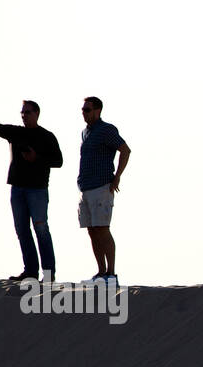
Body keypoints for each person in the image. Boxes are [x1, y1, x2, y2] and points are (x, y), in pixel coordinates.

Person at [0, 101, 63, 281]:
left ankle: (49, 275)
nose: (24, 115)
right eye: (22, 113)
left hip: (37, 190)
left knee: (41, 229)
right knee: (22, 230)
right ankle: (30, 272)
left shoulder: (46, 136)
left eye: (28, 112)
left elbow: (58, 161)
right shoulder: (16, 132)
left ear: (37, 114)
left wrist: (36, 158)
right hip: (17, 189)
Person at [77, 96, 131, 282]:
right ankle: (101, 272)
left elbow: (125, 150)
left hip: (101, 186)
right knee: (92, 230)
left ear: (98, 110)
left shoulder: (106, 129)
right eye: (83, 110)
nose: (84, 113)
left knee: (102, 228)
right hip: (86, 188)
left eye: (88, 110)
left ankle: (111, 273)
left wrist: (117, 177)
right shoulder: (85, 132)